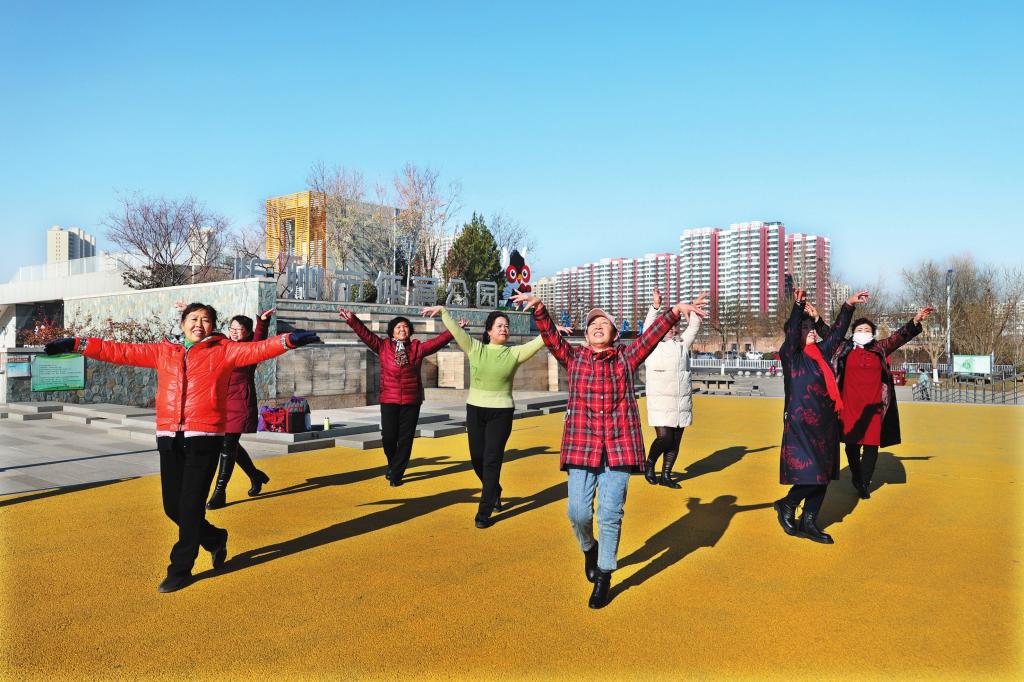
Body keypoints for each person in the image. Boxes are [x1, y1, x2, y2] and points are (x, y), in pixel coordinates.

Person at [44, 303, 321, 593]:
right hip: (169, 435)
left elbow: (258, 350)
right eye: (193, 319)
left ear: (213, 325)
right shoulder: (164, 351)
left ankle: (180, 568)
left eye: (206, 320)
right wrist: (76, 344)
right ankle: (214, 538)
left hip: (205, 436)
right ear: (182, 323)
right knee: (172, 507)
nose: (199, 324)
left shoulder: (224, 350)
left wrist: (288, 340)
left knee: (190, 507)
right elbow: (119, 351)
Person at [513, 291, 706, 609]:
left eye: (604, 323)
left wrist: (674, 312)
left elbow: (650, 337)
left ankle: (604, 575)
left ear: (615, 334)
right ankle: (589, 548)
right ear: (586, 335)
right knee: (577, 513)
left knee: (610, 514)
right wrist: (540, 310)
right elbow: (552, 340)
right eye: (592, 324)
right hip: (582, 446)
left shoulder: (626, 359)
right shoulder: (574, 359)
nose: (598, 326)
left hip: (619, 447)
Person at [418, 304, 547, 528]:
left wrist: (552, 330)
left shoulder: (514, 353)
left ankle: (484, 512)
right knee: (477, 458)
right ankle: (494, 489)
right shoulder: (476, 348)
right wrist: (443, 312)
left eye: (506, 326)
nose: (504, 329)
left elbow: (539, 341)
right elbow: (457, 332)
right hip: (476, 410)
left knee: (492, 459)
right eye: (499, 326)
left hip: (502, 412)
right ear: (489, 331)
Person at [773, 289, 861, 545]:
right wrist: (798, 305)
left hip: (826, 424)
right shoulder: (791, 355)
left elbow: (837, 334)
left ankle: (809, 521)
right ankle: (788, 503)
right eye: (805, 328)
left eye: (812, 327)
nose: (811, 331)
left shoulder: (822, 352)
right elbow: (791, 332)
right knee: (812, 472)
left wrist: (848, 305)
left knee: (823, 474)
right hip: (801, 424)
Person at [340, 308, 461, 486]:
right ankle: (393, 464)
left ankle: (397, 474)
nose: (402, 329)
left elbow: (437, 342)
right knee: (389, 437)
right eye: (398, 327)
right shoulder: (383, 346)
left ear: (410, 331)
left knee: (405, 439)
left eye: (405, 327)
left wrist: (455, 329)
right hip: (389, 399)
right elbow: (366, 335)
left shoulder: (417, 348)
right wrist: (352, 320)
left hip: (411, 401)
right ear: (392, 332)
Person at [834, 306, 933, 498]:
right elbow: (828, 334)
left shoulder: (880, 347)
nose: (863, 332)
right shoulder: (844, 347)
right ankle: (857, 476)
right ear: (853, 332)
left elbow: (898, 337)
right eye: (860, 329)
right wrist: (816, 318)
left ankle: (863, 483)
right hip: (850, 407)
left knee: (871, 446)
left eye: (867, 330)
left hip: (874, 408)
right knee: (851, 446)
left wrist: (915, 321)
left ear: (873, 333)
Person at [206, 308, 275, 509]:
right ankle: (255, 475)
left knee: (228, 445)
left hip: (240, 403)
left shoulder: (250, 348)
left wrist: (263, 322)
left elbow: (260, 339)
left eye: (239, 329)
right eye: (232, 328)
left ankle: (220, 492)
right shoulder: (225, 345)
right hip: (221, 402)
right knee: (228, 445)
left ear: (248, 332)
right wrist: (189, 312)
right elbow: (207, 335)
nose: (234, 332)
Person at [642, 288, 706, 488]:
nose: (671, 329)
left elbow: (694, 327)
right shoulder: (651, 346)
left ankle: (666, 476)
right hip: (661, 402)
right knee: (664, 438)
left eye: (674, 326)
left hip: (680, 402)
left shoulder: (682, 345)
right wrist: (655, 307)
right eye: (668, 326)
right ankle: (649, 463)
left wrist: (693, 309)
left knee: (675, 442)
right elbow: (648, 329)